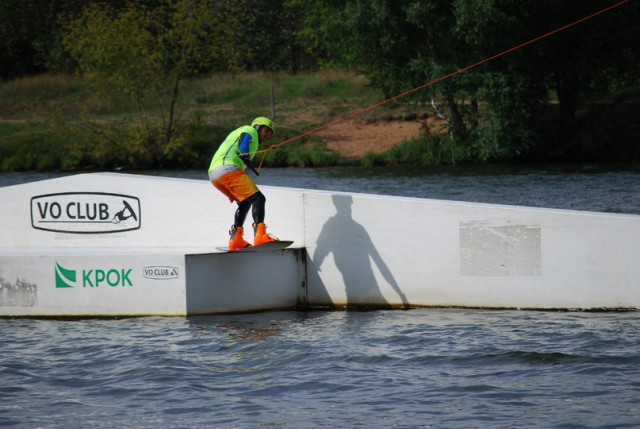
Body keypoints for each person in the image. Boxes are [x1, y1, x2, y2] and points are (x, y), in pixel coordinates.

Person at [208, 117, 279, 250]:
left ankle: (236, 240)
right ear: (257, 127)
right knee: (258, 198)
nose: (267, 135)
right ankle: (260, 236)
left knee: (245, 202)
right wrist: (245, 154)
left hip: (214, 175)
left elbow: (243, 146)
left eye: (270, 133)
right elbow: (244, 141)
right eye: (265, 130)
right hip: (227, 169)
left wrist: (247, 155)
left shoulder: (253, 141)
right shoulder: (249, 130)